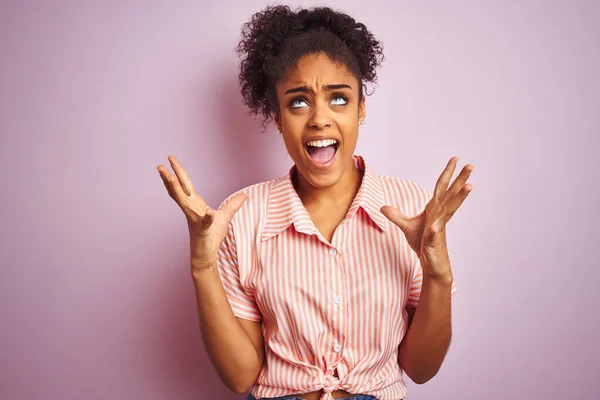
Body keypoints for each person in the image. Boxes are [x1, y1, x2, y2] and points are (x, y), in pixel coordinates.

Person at [157, 5, 473, 400]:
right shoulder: (243, 216)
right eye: (299, 102)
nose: (320, 119)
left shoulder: (411, 205)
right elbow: (240, 377)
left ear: (361, 109)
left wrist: (437, 275)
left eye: (339, 99)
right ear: (276, 116)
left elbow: (421, 370)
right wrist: (202, 266)